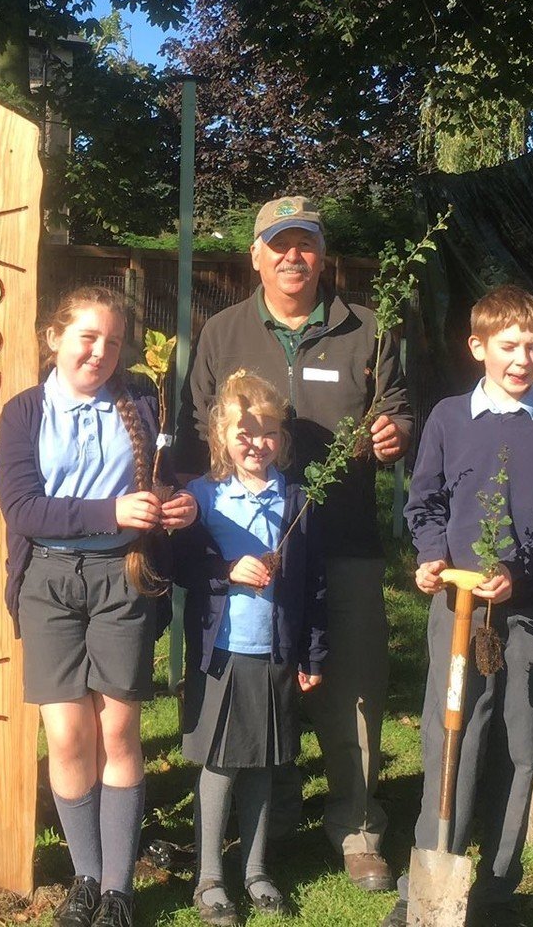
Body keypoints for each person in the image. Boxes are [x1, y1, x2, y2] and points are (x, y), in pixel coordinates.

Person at [177, 196, 410, 890]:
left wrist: (398, 431)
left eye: (304, 243)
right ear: (256, 255)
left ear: (321, 254)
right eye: (278, 244)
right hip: (249, 552)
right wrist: (209, 546)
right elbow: (196, 432)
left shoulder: (367, 328)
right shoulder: (222, 334)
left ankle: (358, 825)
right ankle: (268, 816)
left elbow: (398, 405)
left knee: (353, 689)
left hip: (341, 538)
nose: (291, 256)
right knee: (261, 683)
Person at [383, 285, 533, 927]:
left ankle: (500, 886)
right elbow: (425, 504)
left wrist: (521, 571)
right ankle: (427, 879)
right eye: (508, 346)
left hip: (527, 609)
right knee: (450, 732)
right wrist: (429, 556)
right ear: (478, 347)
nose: (522, 358)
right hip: (456, 608)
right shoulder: (449, 418)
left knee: (519, 736)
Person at [0, 285, 198, 927]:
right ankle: (84, 875)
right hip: (49, 581)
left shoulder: (140, 398)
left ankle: (118, 890)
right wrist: (107, 511)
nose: (100, 352)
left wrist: (177, 504)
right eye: (87, 337)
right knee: (68, 734)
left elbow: (169, 473)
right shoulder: (24, 412)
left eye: (112, 342)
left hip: (123, 577)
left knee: (117, 729)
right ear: (53, 336)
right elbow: (23, 509)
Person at [171, 372, 326, 927]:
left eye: (268, 433)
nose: (256, 443)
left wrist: (312, 653)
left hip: (274, 652)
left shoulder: (299, 501)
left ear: (282, 440)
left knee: (263, 762)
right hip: (224, 653)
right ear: (221, 437)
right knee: (220, 762)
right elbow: (179, 566)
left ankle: (257, 869)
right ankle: (210, 876)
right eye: (245, 433)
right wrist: (224, 569)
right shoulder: (203, 499)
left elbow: (314, 586)